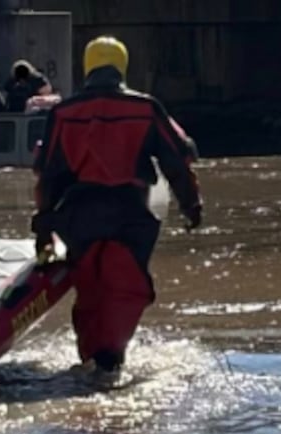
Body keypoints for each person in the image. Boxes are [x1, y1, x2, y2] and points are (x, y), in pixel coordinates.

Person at [31, 36, 203, 379]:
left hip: (78, 216)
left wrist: (43, 227)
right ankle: (111, 359)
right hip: (130, 214)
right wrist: (191, 206)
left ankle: (95, 359)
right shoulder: (146, 107)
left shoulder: (63, 113)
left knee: (90, 285)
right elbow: (178, 161)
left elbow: (47, 175)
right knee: (126, 285)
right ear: (122, 68)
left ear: (87, 68)